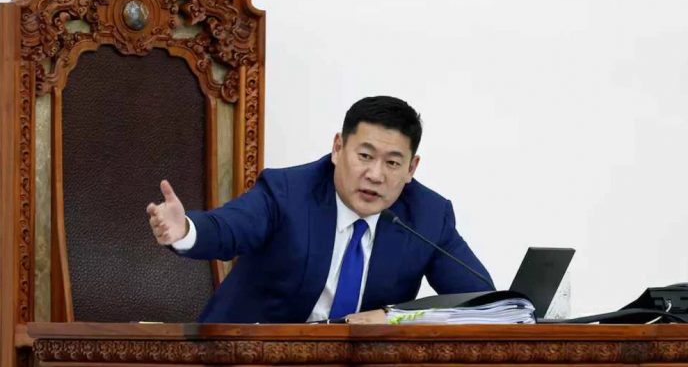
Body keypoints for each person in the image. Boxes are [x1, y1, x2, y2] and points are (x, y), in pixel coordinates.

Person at [146, 96, 493, 323]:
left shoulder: (428, 216)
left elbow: (484, 304)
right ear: (338, 148)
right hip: (251, 357)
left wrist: (394, 316)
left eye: (392, 162)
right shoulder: (287, 193)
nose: (375, 175)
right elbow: (230, 228)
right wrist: (187, 229)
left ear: (411, 168)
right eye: (365, 156)